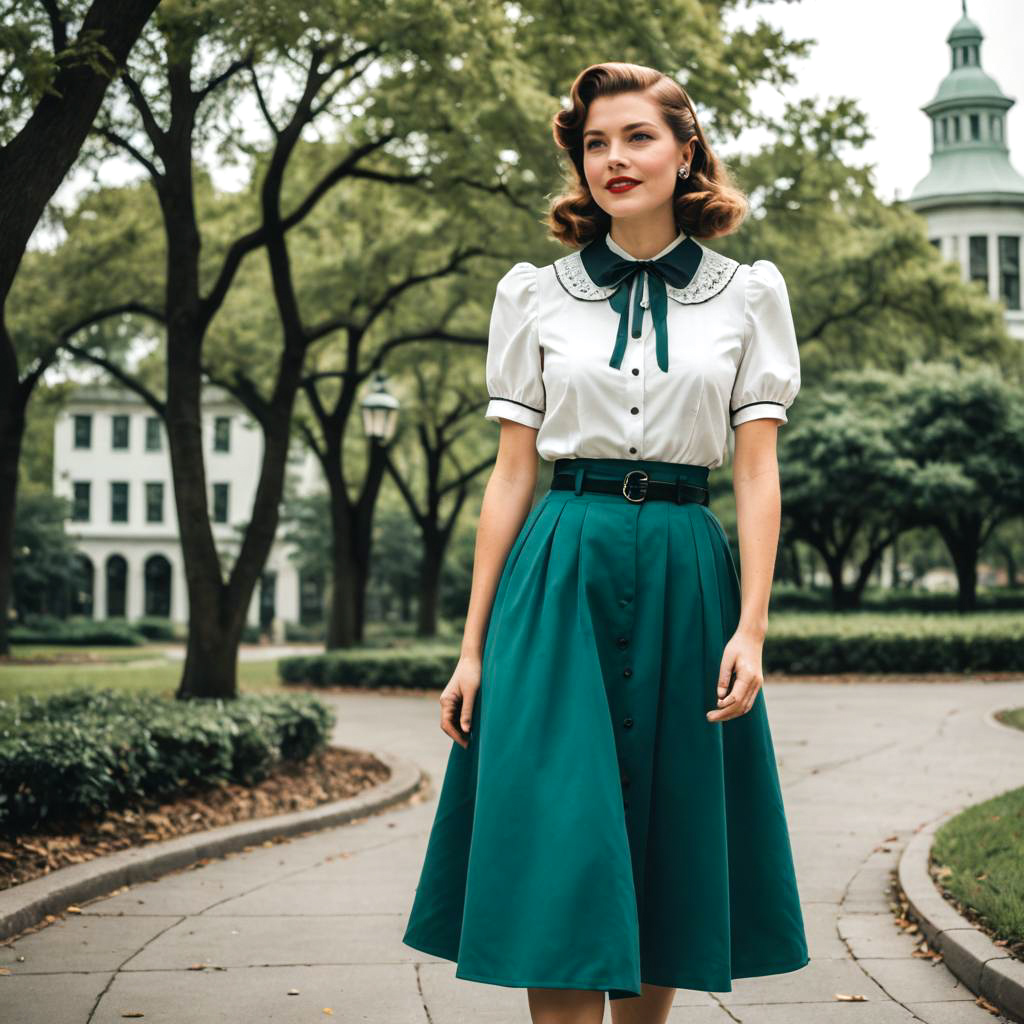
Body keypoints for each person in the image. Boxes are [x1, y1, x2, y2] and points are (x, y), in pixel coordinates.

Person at [402, 60, 809, 1024]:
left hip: (685, 561)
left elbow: (755, 471)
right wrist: (472, 647)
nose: (614, 159)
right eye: (595, 143)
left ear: (686, 151)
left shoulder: (748, 296)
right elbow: (511, 475)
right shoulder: (533, 296)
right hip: (562, 562)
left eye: (637, 137)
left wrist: (751, 629)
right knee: (560, 831)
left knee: (665, 830)